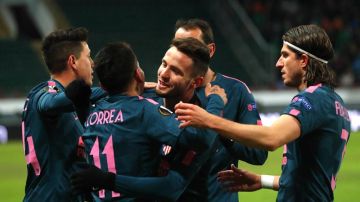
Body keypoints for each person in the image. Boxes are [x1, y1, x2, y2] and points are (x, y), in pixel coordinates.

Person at [175, 24, 351, 201]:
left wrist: (209, 120)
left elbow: (271, 138)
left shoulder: (312, 99)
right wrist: (262, 180)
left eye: (284, 55)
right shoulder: (337, 105)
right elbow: (311, 180)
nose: (278, 63)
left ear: (303, 60)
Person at [70, 39, 227, 201]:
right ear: (138, 74)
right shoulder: (146, 110)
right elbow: (201, 142)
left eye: (176, 71)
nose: (164, 74)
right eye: (164, 64)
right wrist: (216, 101)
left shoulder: (92, 112)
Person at [173, 18, 268, 201]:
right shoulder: (168, 90)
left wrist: (223, 132)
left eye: (190, 48)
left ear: (210, 50)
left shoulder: (236, 91)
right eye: (178, 47)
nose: (181, 55)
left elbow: (259, 154)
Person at [21, 27, 100, 201]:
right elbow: (48, 104)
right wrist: (113, 88)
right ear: (73, 61)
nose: (92, 63)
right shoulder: (43, 94)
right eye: (88, 56)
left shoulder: (73, 105)